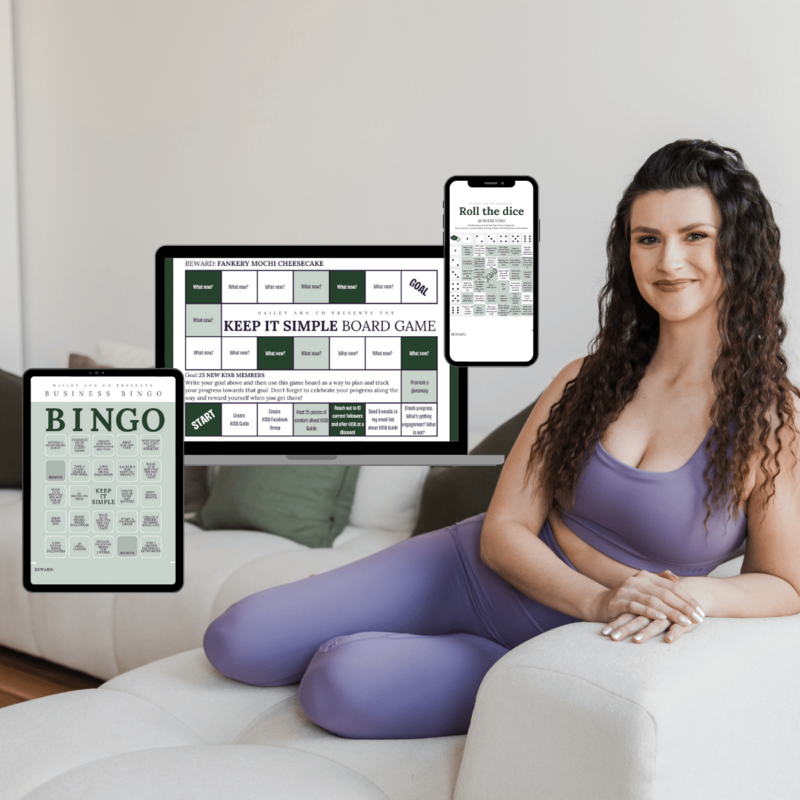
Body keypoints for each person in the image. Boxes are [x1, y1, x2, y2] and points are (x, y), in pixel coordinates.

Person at [203, 140, 800, 740]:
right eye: (648, 238)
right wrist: (600, 595)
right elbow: (504, 530)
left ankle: (379, 643)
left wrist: (690, 596)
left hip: (553, 644)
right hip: (465, 571)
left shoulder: (772, 416)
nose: (668, 261)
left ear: (740, 248)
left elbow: (784, 582)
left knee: (337, 685)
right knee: (235, 640)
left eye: (695, 235)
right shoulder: (586, 380)